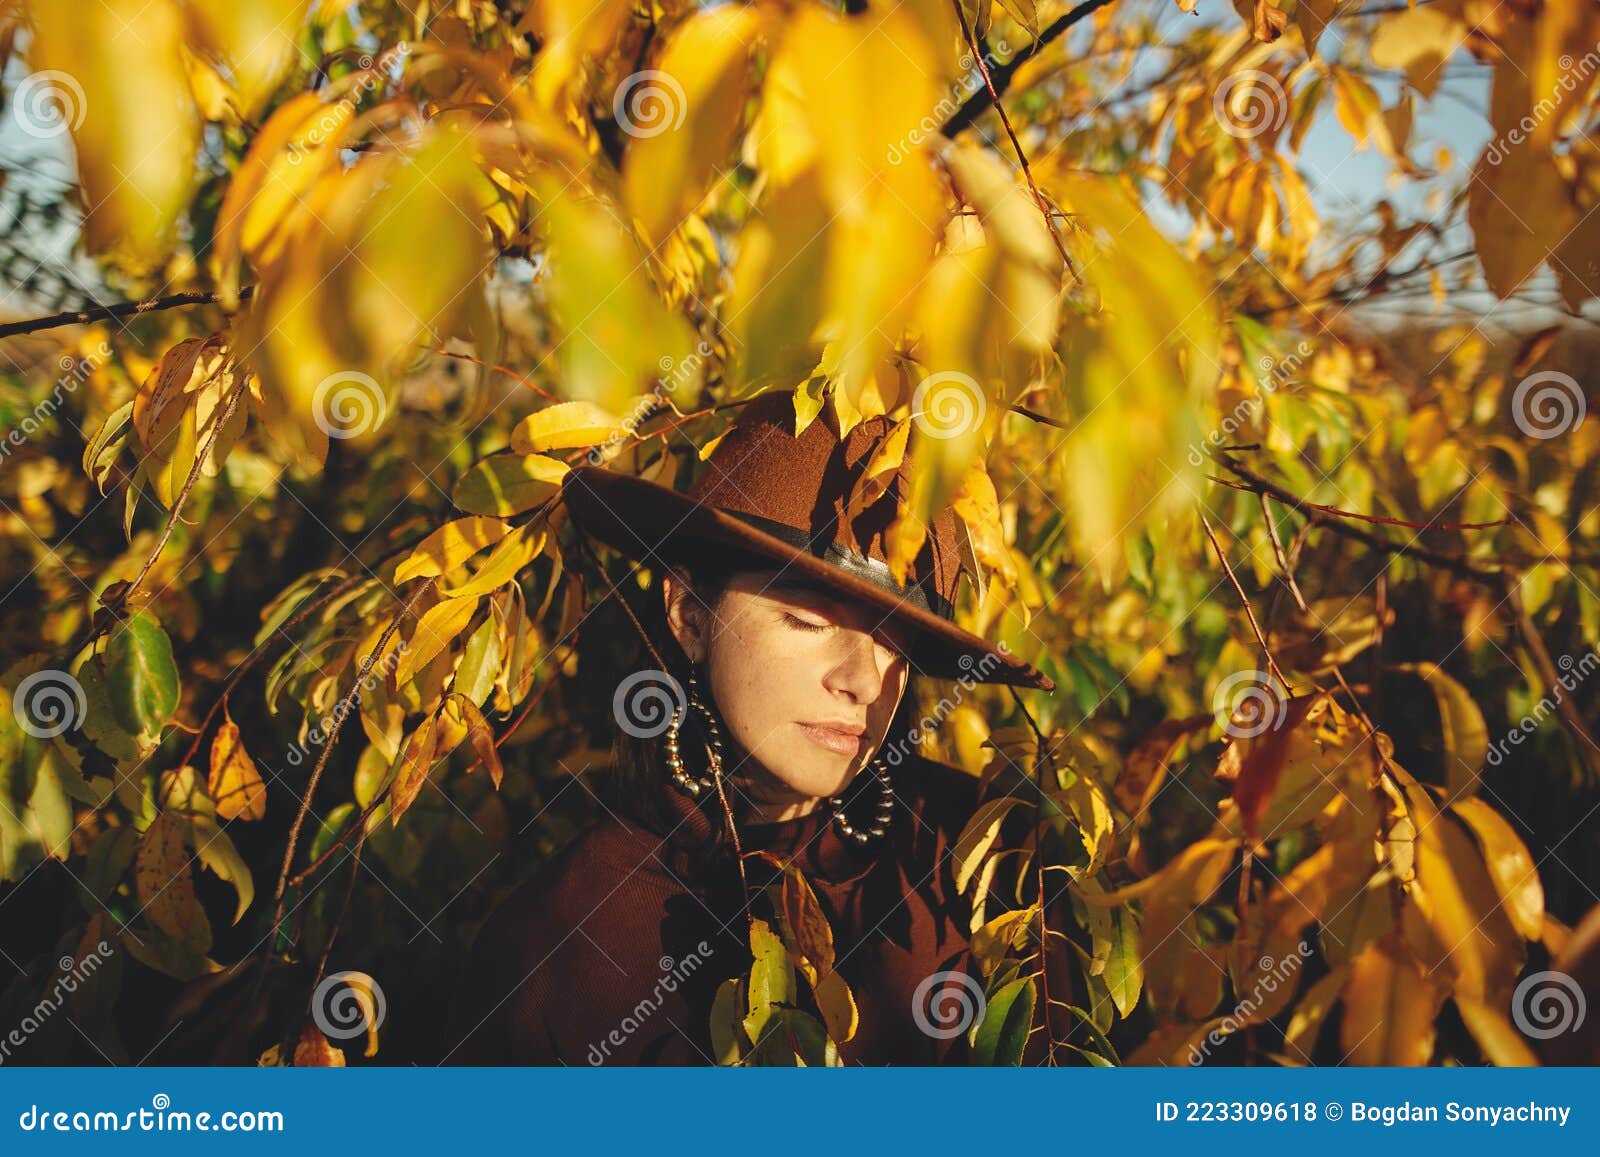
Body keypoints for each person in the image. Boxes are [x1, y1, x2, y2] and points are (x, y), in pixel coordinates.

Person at [440, 389, 1056, 1065]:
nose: (861, 679)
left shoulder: (985, 856)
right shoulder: (564, 940)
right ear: (689, 616)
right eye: (808, 620)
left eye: (892, 641)